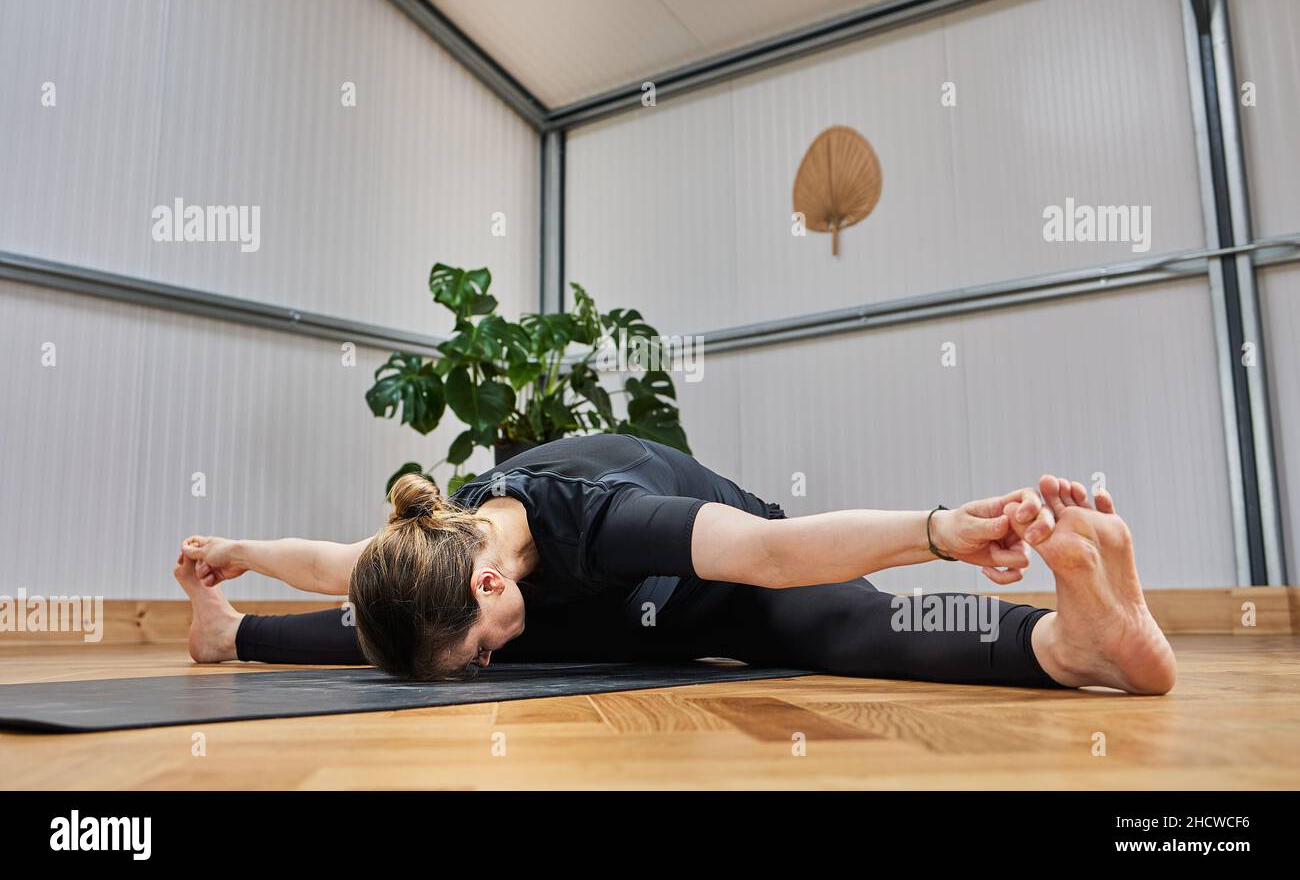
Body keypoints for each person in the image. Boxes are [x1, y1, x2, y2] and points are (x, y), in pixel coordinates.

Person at [173, 434, 1176, 694]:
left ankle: (1069, 638)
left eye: (476, 648)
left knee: (845, 632)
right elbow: (336, 564)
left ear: (492, 584)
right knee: (392, 630)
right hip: (608, 615)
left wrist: (938, 528)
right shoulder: (434, 544)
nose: (477, 668)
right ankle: (230, 635)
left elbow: (774, 552)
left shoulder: (600, 517)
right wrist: (236, 555)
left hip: (725, 588)